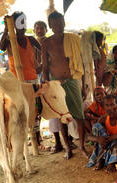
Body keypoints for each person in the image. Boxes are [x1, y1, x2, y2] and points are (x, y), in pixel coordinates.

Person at [41, 11, 89, 159]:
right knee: (61, 117)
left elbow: (81, 64)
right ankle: (68, 147)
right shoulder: (46, 43)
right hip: (56, 83)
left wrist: (83, 85)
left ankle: (81, 147)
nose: (58, 26)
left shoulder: (73, 39)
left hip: (73, 80)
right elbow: (45, 67)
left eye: (60, 22)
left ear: (64, 23)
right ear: (50, 25)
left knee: (79, 116)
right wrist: (47, 86)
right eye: (54, 23)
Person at [0, 12, 45, 151]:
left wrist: (40, 65)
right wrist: (7, 29)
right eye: (20, 22)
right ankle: (22, 139)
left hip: (32, 79)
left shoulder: (30, 39)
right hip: (17, 81)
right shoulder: (9, 40)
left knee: (35, 109)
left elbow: (44, 50)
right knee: (19, 110)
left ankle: (37, 138)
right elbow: (1, 47)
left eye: (24, 22)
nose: (23, 26)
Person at [34, 20, 63, 154]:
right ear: (34, 30)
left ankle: (61, 141)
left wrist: (45, 66)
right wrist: (43, 66)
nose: (39, 30)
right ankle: (41, 139)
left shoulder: (50, 42)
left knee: (58, 108)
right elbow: (37, 67)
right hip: (42, 80)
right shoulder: (33, 45)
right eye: (37, 28)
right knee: (45, 110)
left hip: (53, 78)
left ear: (47, 29)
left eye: (42, 28)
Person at [86, 94, 117, 172]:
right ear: (104, 107)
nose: (110, 108)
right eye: (107, 105)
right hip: (109, 146)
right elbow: (89, 136)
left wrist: (110, 138)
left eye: (112, 104)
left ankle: (111, 162)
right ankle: (102, 159)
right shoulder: (103, 118)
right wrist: (98, 139)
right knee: (96, 126)